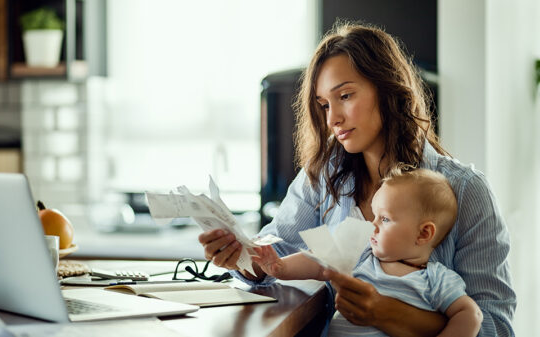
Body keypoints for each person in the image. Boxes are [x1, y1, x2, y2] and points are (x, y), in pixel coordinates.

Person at [198, 23, 515, 336]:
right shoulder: (324, 175)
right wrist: (241, 256)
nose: (332, 119)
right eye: (324, 105)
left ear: (388, 89)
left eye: (345, 95)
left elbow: (495, 327)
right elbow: (275, 252)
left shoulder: (466, 190)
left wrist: (386, 313)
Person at [252, 168, 482, 336]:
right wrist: (280, 267)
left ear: (423, 234)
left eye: (384, 219)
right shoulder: (362, 255)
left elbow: (471, 315)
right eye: (374, 216)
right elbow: (319, 261)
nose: (372, 225)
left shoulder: (437, 279)